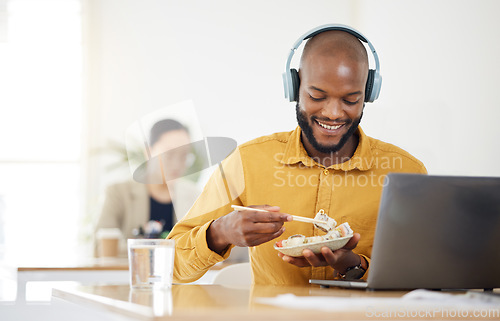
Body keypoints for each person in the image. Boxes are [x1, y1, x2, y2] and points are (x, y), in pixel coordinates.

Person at [167, 25, 426, 285]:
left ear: (368, 94)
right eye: (317, 96)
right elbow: (171, 265)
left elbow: (425, 276)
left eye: (350, 100)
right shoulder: (247, 161)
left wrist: (354, 266)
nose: (334, 113)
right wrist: (219, 233)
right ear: (294, 88)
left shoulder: (406, 172)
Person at [94, 119, 200, 255]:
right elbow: (101, 248)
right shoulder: (119, 193)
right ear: (149, 152)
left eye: (184, 155)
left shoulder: (195, 196)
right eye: (170, 154)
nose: (177, 163)